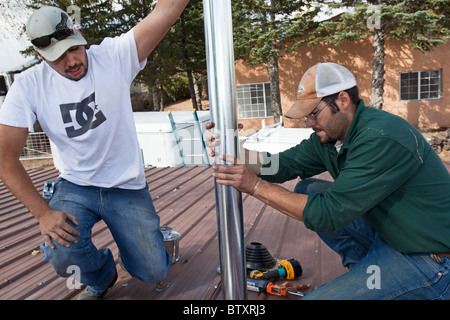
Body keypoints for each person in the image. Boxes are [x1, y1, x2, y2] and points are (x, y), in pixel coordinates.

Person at [207, 62, 450, 299]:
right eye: (306, 116)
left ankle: (381, 285)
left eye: (313, 113)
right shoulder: (333, 135)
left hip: (429, 258)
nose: (309, 123)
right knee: (308, 189)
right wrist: (235, 150)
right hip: (393, 236)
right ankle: (365, 273)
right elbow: (282, 164)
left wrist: (255, 186)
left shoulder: (379, 138)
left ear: (343, 101)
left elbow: (329, 214)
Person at [0, 1, 189, 300]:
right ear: (40, 56)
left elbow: (166, 11)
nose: (71, 60)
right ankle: (102, 274)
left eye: (74, 48)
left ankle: (139, 246)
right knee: (61, 250)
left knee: (153, 271)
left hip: (127, 186)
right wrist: (42, 213)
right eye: (57, 57)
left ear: (78, 34)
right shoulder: (28, 86)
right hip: (77, 185)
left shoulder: (114, 56)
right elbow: (4, 159)